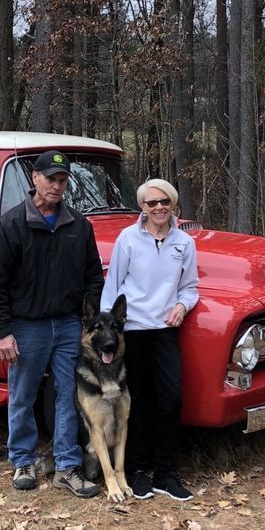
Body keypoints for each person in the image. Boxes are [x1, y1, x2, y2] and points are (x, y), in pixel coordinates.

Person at [0, 150, 104, 498]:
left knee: (69, 396)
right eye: (50, 178)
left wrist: (87, 321)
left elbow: (93, 277)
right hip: (26, 326)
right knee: (23, 394)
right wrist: (2, 332)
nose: (56, 186)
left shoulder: (79, 226)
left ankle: (67, 466)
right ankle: (22, 460)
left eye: (63, 180)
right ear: (34, 178)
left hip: (68, 326)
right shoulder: (12, 225)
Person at [100, 178, 199, 502]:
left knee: (170, 400)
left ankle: (166, 474)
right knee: (138, 402)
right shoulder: (128, 239)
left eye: (164, 202)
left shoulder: (184, 243)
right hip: (133, 331)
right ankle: (138, 471)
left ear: (173, 205)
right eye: (151, 203)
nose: (158, 208)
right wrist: (108, 332)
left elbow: (190, 286)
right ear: (142, 206)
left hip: (165, 329)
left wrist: (183, 306)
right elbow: (112, 286)